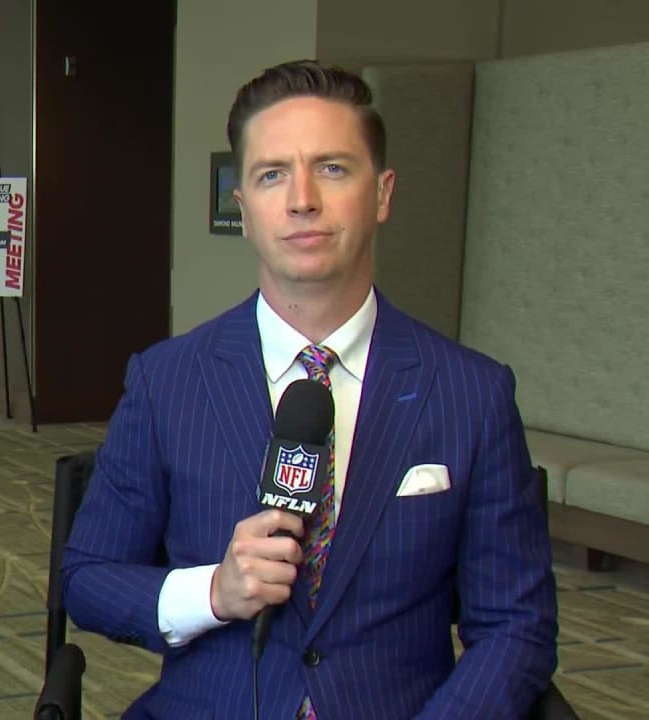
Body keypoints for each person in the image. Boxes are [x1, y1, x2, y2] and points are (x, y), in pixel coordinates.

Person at [61, 60, 557, 718]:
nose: (302, 199)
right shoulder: (167, 380)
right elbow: (88, 580)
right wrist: (215, 591)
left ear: (381, 194)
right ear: (243, 208)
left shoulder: (472, 394)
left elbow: (516, 627)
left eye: (331, 168)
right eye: (272, 175)